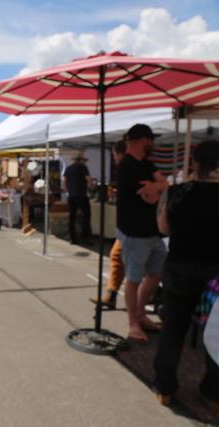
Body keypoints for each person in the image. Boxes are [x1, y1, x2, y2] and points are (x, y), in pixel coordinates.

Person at [153, 140, 219, 406]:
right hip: (216, 274)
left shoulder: (176, 192)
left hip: (180, 266)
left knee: (173, 329)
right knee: (216, 333)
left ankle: (165, 388)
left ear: (195, 163)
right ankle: (213, 392)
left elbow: (164, 229)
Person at [116, 124, 168, 344]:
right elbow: (150, 195)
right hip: (134, 232)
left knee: (157, 273)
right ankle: (133, 324)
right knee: (134, 279)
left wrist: (157, 186)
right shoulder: (127, 165)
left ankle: (140, 314)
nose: (153, 144)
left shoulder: (146, 163)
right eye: (151, 140)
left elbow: (164, 184)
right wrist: (157, 186)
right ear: (144, 140)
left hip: (151, 231)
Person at [89, 138, 127, 309]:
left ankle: (137, 315)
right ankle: (111, 295)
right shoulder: (128, 168)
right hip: (129, 226)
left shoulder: (131, 167)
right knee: (117, 257)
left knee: (134, 269)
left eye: (114, 155)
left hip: (136, 228)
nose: (115, 158)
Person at [62, 152, 92, 245]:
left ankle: (72, 239)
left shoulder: (68, 168)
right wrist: (91, 186)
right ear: (81, 160)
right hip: (82, 195)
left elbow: (63, 182)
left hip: (71, 196)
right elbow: (89, 179)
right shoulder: (83, 167)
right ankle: (85, 238)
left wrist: (68, 190)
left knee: (72, 217)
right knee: (86, 216)